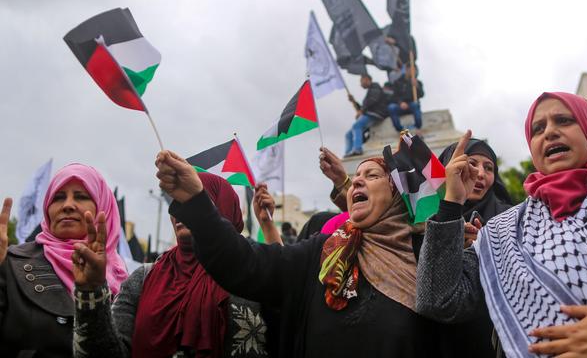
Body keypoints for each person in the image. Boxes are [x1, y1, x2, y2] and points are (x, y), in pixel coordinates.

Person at [416, 92, 587, 358]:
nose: (550, 132)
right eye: (538, 129)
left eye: (563, 120)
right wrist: (451, 203)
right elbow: (438, 301)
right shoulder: (504, 232)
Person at [156, 150, 441, 357]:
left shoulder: (429, 258)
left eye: (373, 175)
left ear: (396, 196)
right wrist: (197, 202)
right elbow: (248, 263)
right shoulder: (322, 251)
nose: (355, 182)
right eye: (355, 178)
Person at [72, 171, 268, 358]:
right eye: (177, 201)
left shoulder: (252, 272)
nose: (181, 209)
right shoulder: (142, 279)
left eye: (194, 201)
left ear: (223, 209)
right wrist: (91, 292)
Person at [0, 163, 128, 358]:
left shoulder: (127, 280)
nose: (67, 205)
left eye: (81, 196)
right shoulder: (11, 262)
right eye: (58, 198)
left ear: (103, 207)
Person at [435, 138, 513, 357]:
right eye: (471, 163)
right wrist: (445, 241)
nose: (480, 173)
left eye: (489, 168)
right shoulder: (425, 220)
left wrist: (486, 248)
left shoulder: (510, 218)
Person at [344, 74, 389, 157]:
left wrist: (361, 111)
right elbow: (364, 107)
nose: (360, 84)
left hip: (376, 114)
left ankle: (357, 149)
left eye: (361, 81)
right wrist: (354, 101)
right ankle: (348, 153)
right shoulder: (371, 90)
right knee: (348, 134)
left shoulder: (375, 87)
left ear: (367, 79)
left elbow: (372, 101)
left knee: (356, 125)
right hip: (369, 113)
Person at [386, 68, 424, 133]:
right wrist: (400, 103)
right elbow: (393, 97)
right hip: (400, 106)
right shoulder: (397, 82)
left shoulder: (417, 82)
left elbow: (421, 95)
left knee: (415, 104)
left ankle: (418, 127)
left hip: (412, 105)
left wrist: (417, 86)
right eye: (411, 71)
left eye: (414, 72)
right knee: (391, 107)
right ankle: (400, 129)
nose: (413, 73)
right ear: (407, 70)